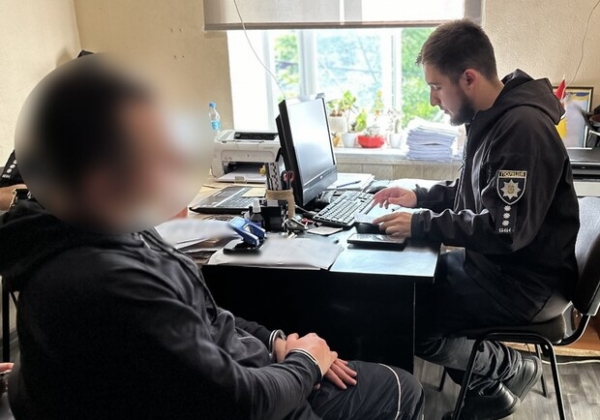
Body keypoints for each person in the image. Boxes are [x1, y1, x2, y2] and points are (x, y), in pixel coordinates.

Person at [0, 55, 424, 420]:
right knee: (402, 388)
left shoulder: (103, 225)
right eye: (155, 154)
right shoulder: (107, 283)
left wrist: (275, 342)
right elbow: (241, 403)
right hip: (256, 399)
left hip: (253, 369)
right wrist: (305, 362)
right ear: (100, 181)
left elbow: (206, 315)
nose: (176, 161)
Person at [372, 20, 579, 420]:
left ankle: (509, 369)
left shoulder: (522, 131)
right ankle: (488, 385)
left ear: (468, 77)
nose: (432, 99)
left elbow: (503, 232)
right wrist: (420, 198)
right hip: (494, 268)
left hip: (522, 285)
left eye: (436, 86)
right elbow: (475, 192)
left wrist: (421, 224)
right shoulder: (491, 117)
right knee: (403, 294)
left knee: (409, 320)